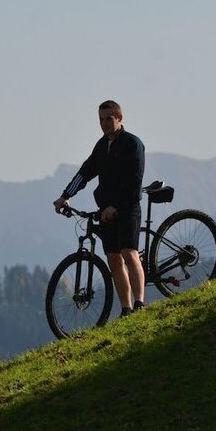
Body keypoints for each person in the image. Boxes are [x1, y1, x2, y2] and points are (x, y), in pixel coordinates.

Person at [53, 100, 146, 317]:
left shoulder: (133, 144)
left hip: (128, 207)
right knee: (113, 259)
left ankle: (140, 303)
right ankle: (126, 308)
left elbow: (135, 180)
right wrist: (65, 196)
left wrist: (116, 206)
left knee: (129, 253)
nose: (104, 124)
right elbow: (85, 172)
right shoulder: (101, 146)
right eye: (101, 120)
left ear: (119, 118)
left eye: (108, 119)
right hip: (106, 210)